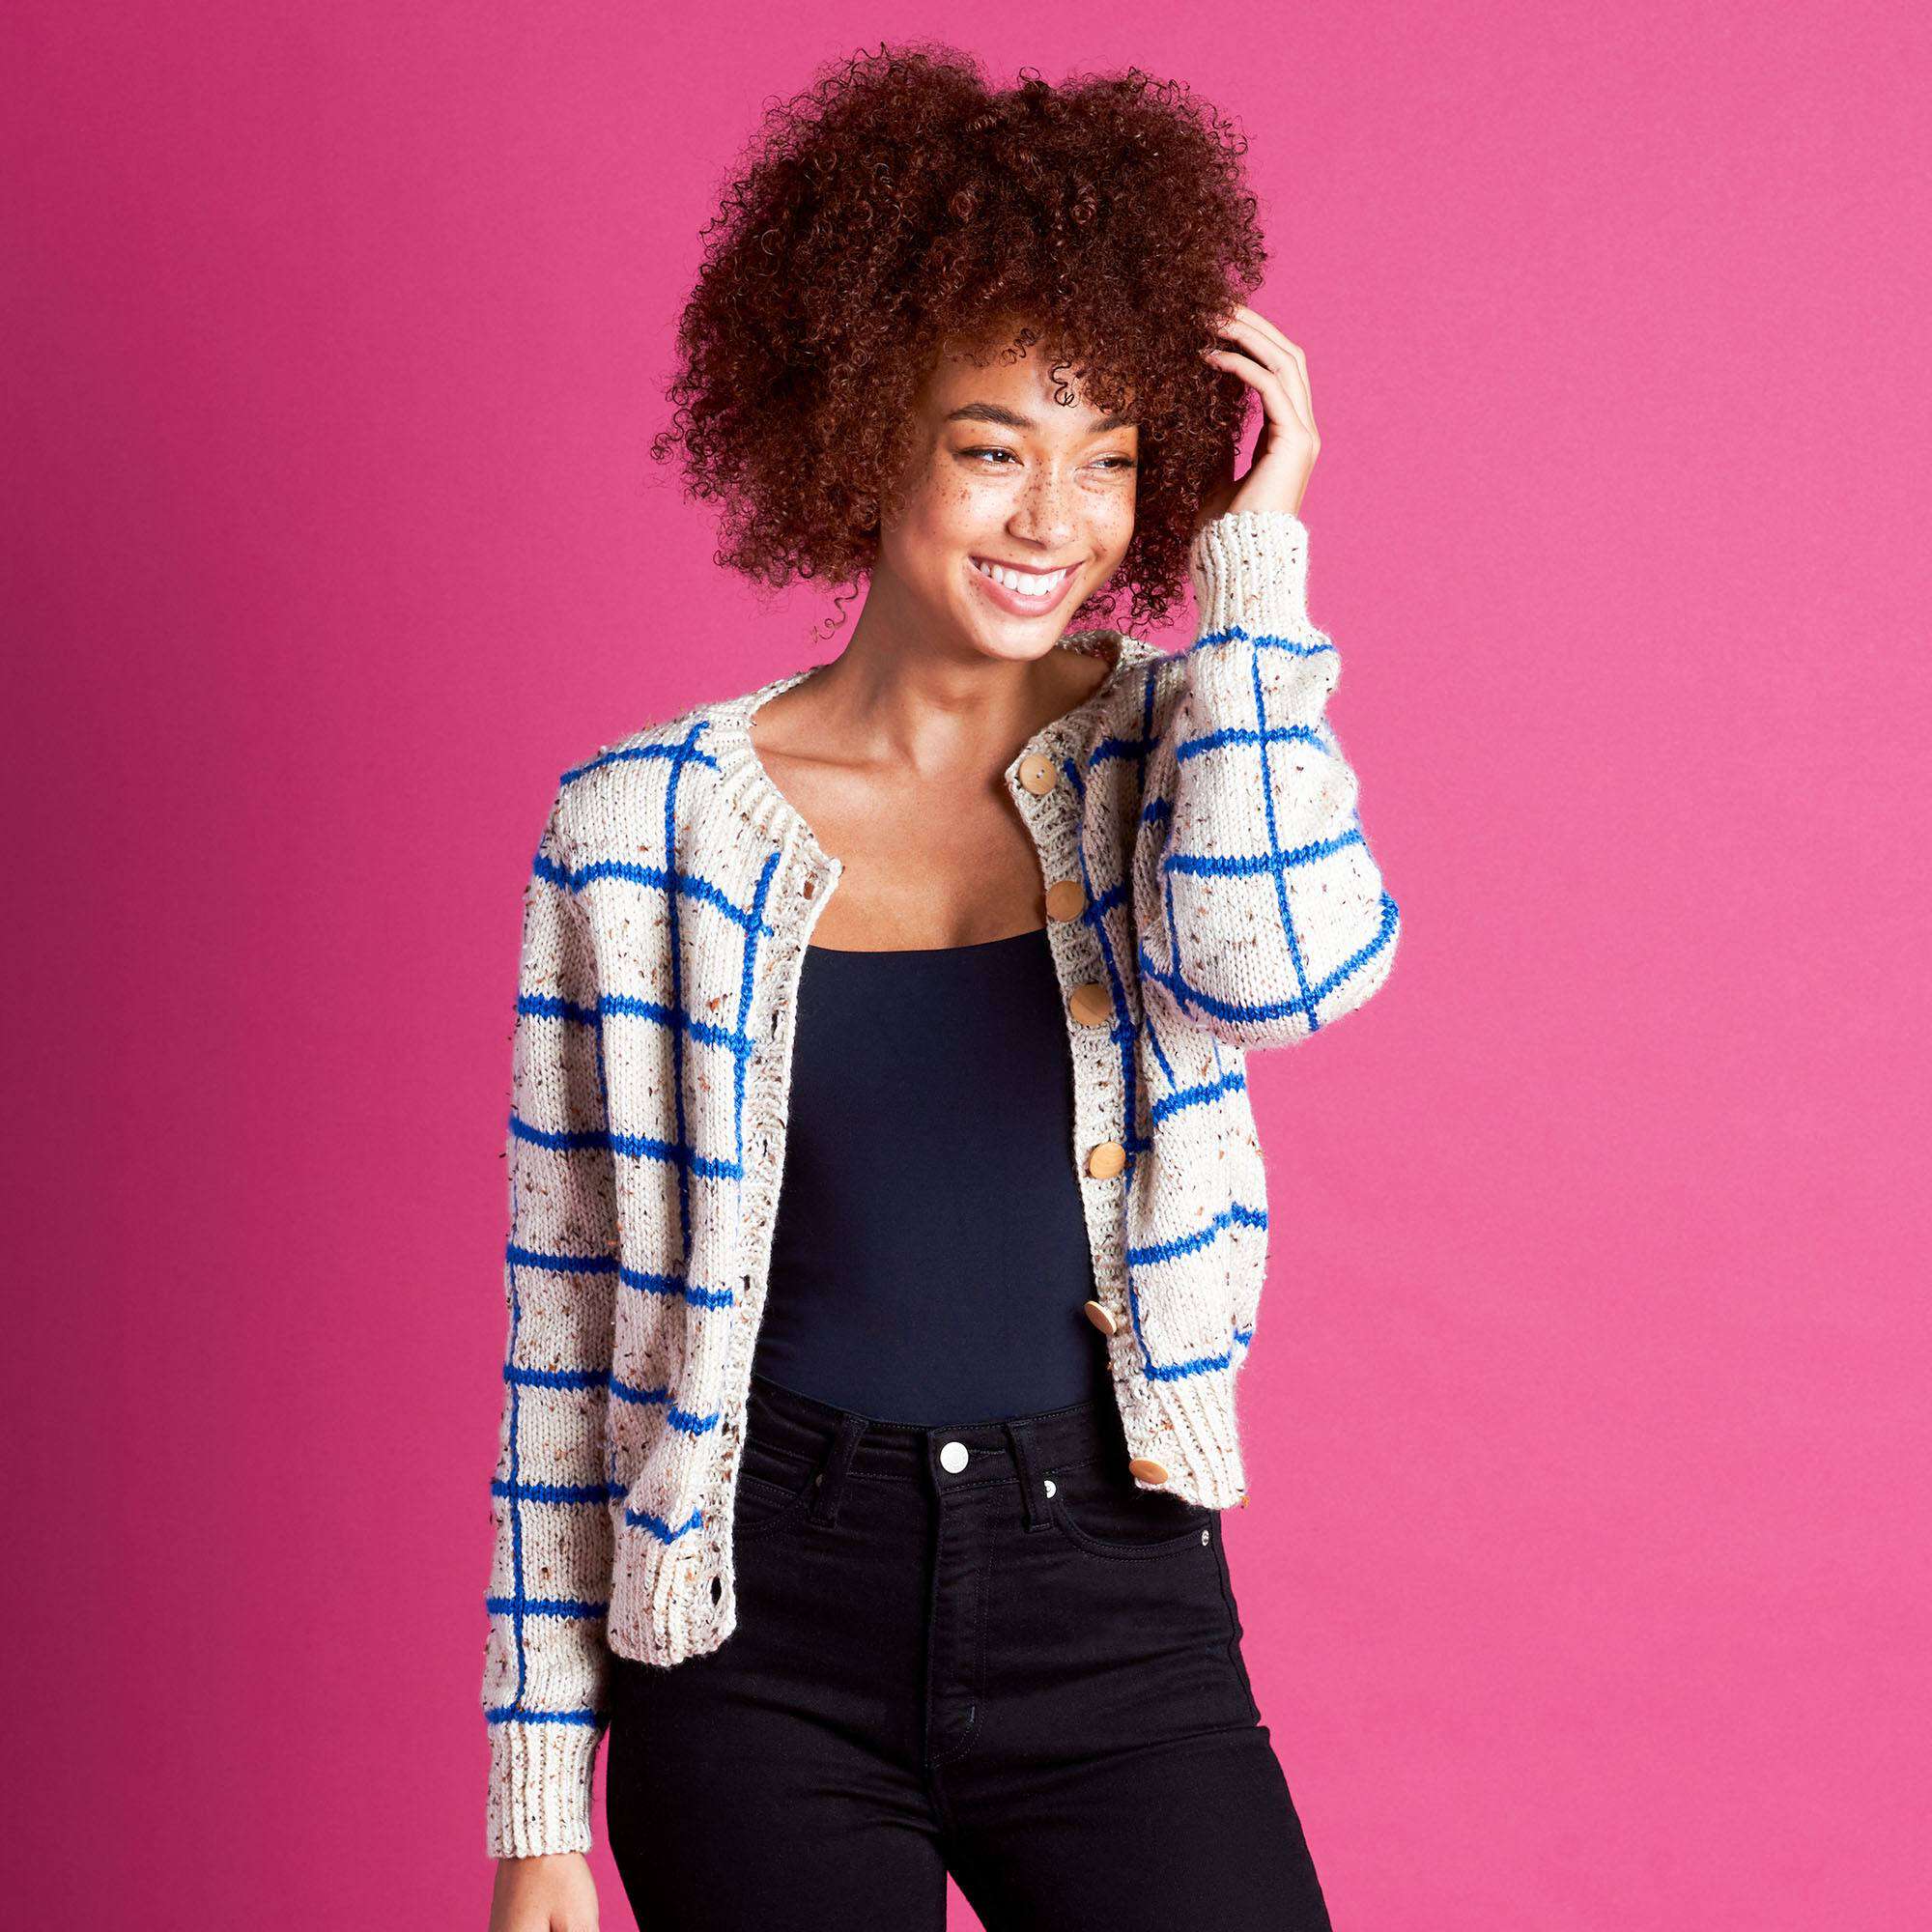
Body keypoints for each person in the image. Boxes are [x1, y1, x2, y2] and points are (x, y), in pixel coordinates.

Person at [484, 43, 1401, 1932]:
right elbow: (566, 1324)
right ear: (864, 428)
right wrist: (534, 1801)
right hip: (749, 1630)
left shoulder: (1188, 742)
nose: (1053, 517)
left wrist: (1256, 573)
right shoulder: (639, 833)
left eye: (1109, 456)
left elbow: (1277, 972)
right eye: (994, 447)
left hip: (1112, 1598)